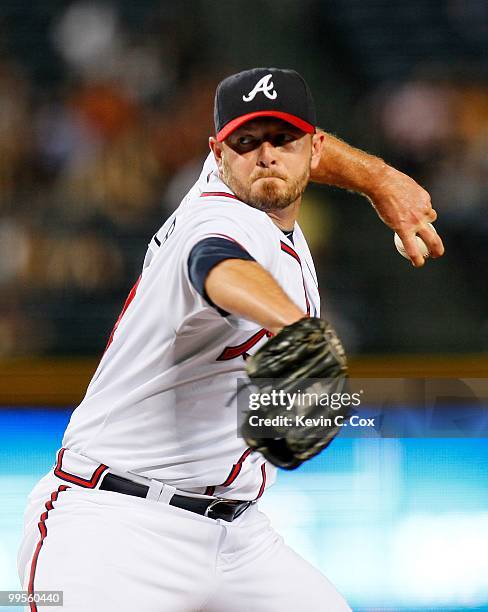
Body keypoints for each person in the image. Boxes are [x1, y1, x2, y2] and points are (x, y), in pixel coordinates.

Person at [18, 67, 444, 612]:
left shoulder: (264, 198)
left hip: (238, 535)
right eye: (246, 142)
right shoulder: (219, 216)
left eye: (282, 139)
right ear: (218, 154)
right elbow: (215, 264)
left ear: (313, 148)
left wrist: (379, 179)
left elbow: (299, 155)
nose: (265, 155)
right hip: (111, 530)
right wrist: (293, 327)